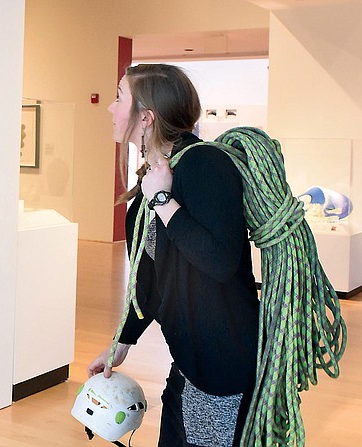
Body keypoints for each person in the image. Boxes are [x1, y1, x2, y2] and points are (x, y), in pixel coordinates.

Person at [87, 64, 260, 447]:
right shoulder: (154, 181)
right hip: (189, 360)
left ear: (145, 117)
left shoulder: (204, 165)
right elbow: (147, 283)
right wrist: (122, 342)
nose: (110, 108)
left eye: (119, 98)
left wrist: (165, 201)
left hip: (222, 366)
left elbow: (220, 262)